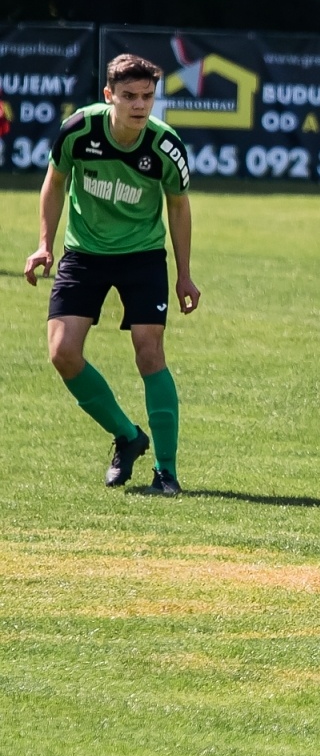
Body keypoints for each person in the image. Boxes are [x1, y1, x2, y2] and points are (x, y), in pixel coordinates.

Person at [24, 53, 199, 495]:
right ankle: (127, 435)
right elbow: (55, 180)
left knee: (149, 352)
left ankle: (167, 471)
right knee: (62, 353)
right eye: (129, 97)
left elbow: (178, 206)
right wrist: (45, 244)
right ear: (109, 96)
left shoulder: (165, 145)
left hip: (142, 254)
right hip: (84, 252)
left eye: (147, 97)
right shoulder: (79, 131)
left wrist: (184, 275)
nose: (140, 106)